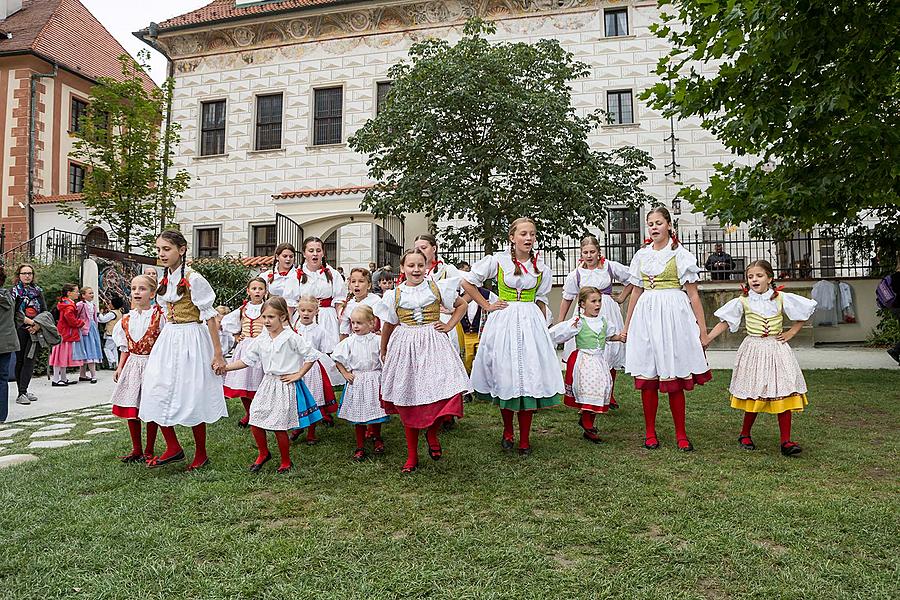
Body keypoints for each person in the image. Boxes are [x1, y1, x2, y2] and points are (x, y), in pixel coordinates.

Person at [460, 217, 564, 455]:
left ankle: (525, 438)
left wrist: (542, 323)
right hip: (504, 320)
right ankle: (508, 431)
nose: (528, 238)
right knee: (506, 374)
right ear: (512, 237)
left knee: (528, 375)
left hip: (530, 323)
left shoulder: (541, 267)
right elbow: (467, 282)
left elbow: (541, 299)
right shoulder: (498, 261)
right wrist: (486, 305)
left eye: (532, 234)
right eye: (524, 234)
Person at [622, 206, 711, 451]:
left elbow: (693, 296)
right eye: (650, 223)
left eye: (658, 222)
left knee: (673, 371)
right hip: (646, 315)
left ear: (669, 225)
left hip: (673, 314)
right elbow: (636, 293)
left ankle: (681, 433)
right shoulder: (641, 255)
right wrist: (627, 326)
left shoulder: (681, 254)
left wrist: (702, 330)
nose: (654, 227)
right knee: (648, 374)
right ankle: (650, 432)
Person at [707, 260, 817, 456]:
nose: (754, 279)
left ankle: (786, 441)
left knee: (783, 388)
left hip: (777, 348)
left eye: (759, 276)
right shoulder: (743, 301)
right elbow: (725, 322)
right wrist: (707, 339)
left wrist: (791, 333)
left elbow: (804, 312)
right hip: (754, 349)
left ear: (770, 278)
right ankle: (745, 433)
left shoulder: (781, 298)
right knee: (755, 391)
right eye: (750, 277)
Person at [139, 230, 227, 472]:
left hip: (192, 337)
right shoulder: (164, 278)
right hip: (170, 338)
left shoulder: (194, 278)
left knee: (192, 393)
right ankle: (173, 446)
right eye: (158, 249)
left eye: (166, 249)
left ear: (182, 249)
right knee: (156, 389)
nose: (161, 254)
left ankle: (201, 453)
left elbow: (209, 317)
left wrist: (217, 354)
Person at [376, 249, 470, 473]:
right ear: (403, 268)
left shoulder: (437, 288)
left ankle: (432, 432)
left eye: (420, 265)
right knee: (409, 397)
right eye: (411, 266)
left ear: (427, 266)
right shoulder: (394, 294)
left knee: (445, 390)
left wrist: (448, 325)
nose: (416, 270)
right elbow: (389, 324)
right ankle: (411, 455)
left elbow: (462, 305)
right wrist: (384, 348)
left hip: (433, 344)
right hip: (406, 345)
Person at [222, 296, 323, 474]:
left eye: (271, 317)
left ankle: (285, 460)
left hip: (284, 385)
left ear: (283, 317)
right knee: (255, 418)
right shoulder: (262, 339)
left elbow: (312, 355)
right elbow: (247, 360)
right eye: (264, 317)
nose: (267, 321)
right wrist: (226, 367)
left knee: (279, 425)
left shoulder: (291, 337)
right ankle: (263, 453)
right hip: (267, 383)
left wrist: (298, 374)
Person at [557, 235, 633, 409]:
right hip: (585, 313)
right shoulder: (576, 274)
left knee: (609, 353)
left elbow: (633, 278)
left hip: (607, 310)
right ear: (581, 253)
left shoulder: (609, 267)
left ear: (599, 252)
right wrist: (561, 321)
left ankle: (609, 393)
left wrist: (621, 297)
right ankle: (584, 391)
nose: (589, 256)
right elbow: (567, 298)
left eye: (592, 252)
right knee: (587, 354)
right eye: (585, 252)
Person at [550, 287, 624, 444]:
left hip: (599, 361)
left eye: (599, 301)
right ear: (583, 304)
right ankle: (588, 424)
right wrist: (545, 339)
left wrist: (620, 337)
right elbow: (559, 333)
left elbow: (609, 336)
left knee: (601, 388)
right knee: (589, 390)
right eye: (593, 301)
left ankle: (587, 421)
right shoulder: (578, 322)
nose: (597, 305)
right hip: (584, 360)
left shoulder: (604, 321)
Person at [110, 275, 164, 462]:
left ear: (152, 293)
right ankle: (136, 449)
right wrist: (120, 367)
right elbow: (125, 347)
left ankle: (149, 449)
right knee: (132, 405)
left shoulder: (159, 317)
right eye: (134, 289)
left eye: (142, 289)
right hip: (133, 364)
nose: (137, 292)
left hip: (152, 364)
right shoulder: (126, 319)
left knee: (150, 407)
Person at [333, 305, 390, 462]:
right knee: (358, 414)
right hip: (357, 380)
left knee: (376, 410)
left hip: (374, 379)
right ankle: (360, 445)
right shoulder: (349, 342)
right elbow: (337, 358)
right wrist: (345, 373)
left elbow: (385, 357)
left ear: (371, 323)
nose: (355, 326)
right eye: (353, 323)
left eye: (359, 323)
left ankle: (377, 437)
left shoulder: (378, 340)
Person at [292, 296, 343, 442]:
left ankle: (311, 432)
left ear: (316, 311)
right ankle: (299, 426)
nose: (306, 313)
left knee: (313, 398)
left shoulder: (319, 330)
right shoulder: (294, 328)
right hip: (296, 366)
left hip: (312, 368)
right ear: (298, 310)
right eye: (303, 310)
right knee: (298, 397)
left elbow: (324, 349)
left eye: (309, 310)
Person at [222, 278, 268, 428]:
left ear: (265, 291)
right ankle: (249, 413)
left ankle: (259, 414)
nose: (257, 291)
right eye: (254, 288)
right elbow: (226, 322)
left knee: (259, 384)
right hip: (245, 347)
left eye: (260, 289)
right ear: (248, 291)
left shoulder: (268, 308)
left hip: (262, 349)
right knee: (244, 383)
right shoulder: (243, 309)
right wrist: (236, 335)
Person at [296, 236, 346, 353]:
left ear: (323, 253)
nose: (315, 254)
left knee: (328, 352)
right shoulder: (297, 275)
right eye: (311, 251)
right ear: (304, 253)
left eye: (318, 251)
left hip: (327, 318)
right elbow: (290, 303)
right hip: (304, 317)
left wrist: (342, 322)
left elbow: (339, 301)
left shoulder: (333, 274)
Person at [11, 263, 46, 405]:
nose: (27, 276)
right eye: (24, 273)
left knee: (30, 360)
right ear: (18, 275)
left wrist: (38, 324)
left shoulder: (38, 291)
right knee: (20, 361)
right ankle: (21, 392)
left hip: (35, 330)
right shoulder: (14, 292)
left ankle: (23, 391)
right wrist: (30, 323)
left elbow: (44, 310)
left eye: (29, 273)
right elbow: (14, 313)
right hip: (20, 330)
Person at [48, 283, 84, 387]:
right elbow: (70, 319)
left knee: (61, 356)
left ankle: (62, 378)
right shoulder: (69, 305)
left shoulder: (64, 303)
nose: (78, 293)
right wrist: (80, 323)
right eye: (76, 291)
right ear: (69, 293)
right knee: (60, 356)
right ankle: (56, 379)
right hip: (66, 333)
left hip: (63, 332)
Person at [0, 267, 23, 423]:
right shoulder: (9, 295)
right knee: (2, 378)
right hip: (7, 342)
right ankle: (1, 415)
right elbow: (18, 317)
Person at [339, 267, 382, 340]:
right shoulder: (349, 304)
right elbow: (344, 333)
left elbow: (384, 326)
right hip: (355, 342)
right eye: (353, 281)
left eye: (361, 281)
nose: (356, 285)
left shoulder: (376, 301)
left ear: (369, 285)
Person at [72, 287, 103, 383]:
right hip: (84, 329)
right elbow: (75, 315)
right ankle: (93, 375)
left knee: (89, 349)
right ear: (83, 295)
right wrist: (80, 324)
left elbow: (94, 318)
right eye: (89, 293)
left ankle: (83, 374)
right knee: (88, 350)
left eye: (92, 293)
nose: (92, 295)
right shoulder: (80, 304)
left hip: (92, 327)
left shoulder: (92, 305)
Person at [266, 243, 301, 310]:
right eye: (285, 256)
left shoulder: (299, 276)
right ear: (277, 257)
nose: (288, 259)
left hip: (294, 313)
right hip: (273, 312)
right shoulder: (267, 275)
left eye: (291, 256)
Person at [99, 297, 125, 370]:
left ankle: (112, 361)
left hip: (111, 334)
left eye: (110, 303)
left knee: (106, 348)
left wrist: (100, 314)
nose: (109, 304)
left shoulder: (112, 313)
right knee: (113, 349)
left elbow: (103, 320)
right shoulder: (119, 312)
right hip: (116, 334)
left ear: (113, 305)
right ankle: (115, 364)